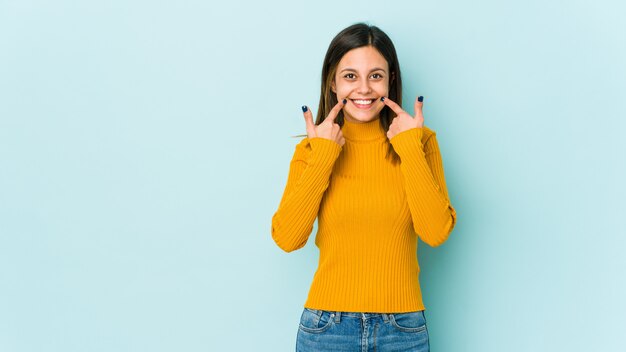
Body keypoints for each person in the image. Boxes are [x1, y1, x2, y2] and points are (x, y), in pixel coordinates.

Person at [270, 22, 457, 352]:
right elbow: (288, 237)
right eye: (350, 76)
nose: (364, 88)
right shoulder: (313, 151)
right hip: (326, 328)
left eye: (375, 75)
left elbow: (435, 232)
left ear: (391, 79)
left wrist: (410, 148)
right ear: (332, 82)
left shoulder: (420, 143)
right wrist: (324, 155)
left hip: (403, 329)